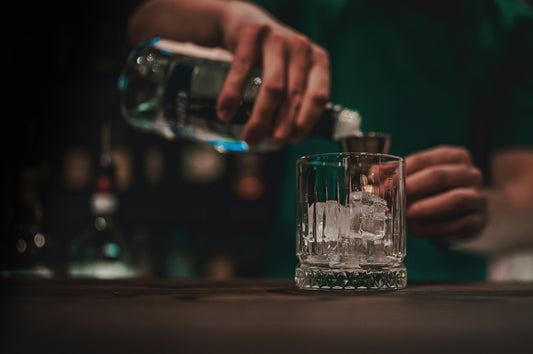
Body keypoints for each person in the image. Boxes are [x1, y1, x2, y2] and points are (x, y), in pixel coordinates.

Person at [126, 0, 533, 280]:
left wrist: (476, 214)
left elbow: (525, 206)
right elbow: (146, 22)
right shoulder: (327, 6)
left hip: (442, 303)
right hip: (300, 295)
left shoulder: (511, 23)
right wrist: (228, 16)